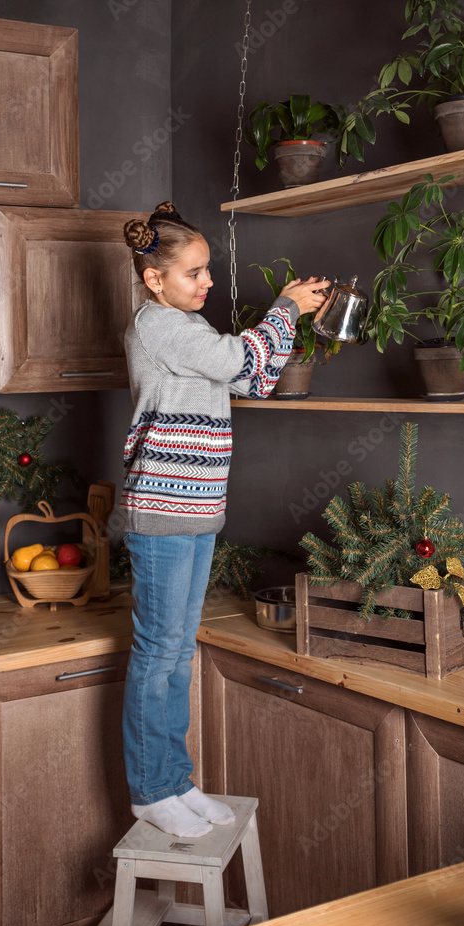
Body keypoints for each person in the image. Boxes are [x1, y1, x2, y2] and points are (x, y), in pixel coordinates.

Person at [119, 201, 328, 838]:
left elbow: (257, 380)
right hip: (162, 510)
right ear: (155, 280)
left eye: (208, 271)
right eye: (195, 273)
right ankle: (149, 791)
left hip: (198, 510)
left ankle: (175, 780)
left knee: (178, 652)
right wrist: (286, 308)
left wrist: (278, 328)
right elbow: (242, 361)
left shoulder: (191, 331)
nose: (207, 283)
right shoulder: (159, 325)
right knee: (159, 653)